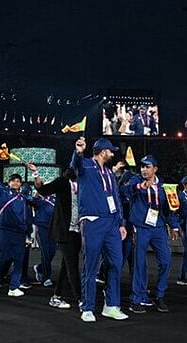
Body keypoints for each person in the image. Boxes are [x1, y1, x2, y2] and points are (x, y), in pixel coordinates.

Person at [71, 137, 129, 323]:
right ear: (102, 151)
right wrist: (78, 151)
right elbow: (74, 166)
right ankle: (87, 307)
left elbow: (116, 198)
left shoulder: (110, 173)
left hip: (112, 222)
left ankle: (111, 305)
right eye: (110, 151)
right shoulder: (86, 165)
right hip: (93, 221)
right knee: (91, 266)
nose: (112, 154)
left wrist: (121, 223)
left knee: (115, 263)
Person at [124, 155, 179, 313]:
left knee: (166, 261)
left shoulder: (166, 187)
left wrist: (174, 226)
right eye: (142, 167)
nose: (144, 170)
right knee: (139, 264)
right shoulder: (135, 181)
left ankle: (160, 295)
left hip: (159, 228)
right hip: (141, 227)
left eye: (147, 167)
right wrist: (139, 187)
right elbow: (123, 190)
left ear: (155, 169)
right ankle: (137, 298)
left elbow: (171, 209)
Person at [33, 168, 82, 310]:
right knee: (72, 265)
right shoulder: (62, 182)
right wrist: (36, 173)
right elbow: (42, 190)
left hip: (78, 231)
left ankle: (56, 296)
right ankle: (80, 299)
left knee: (66, 265)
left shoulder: (84, 184)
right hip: (64, 231)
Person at [0, 162, 32, 297]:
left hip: (19, 233)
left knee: (19, 260)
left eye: (18, 181)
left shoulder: (24, 198)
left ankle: (13, 287)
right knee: (3, 257)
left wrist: (27, 234)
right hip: (5, 230)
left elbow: (27, 217)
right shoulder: (4, 192)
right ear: (9, 182)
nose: (16, 183)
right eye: (13, 181)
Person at [32, 181, 57, 288]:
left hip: (53, 229)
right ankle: (46, 277)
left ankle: (40, 268)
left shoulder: (55, 200)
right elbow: (31, 201)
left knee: (52, 252)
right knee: (46, 253)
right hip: (41, 229)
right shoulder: (38, 199)